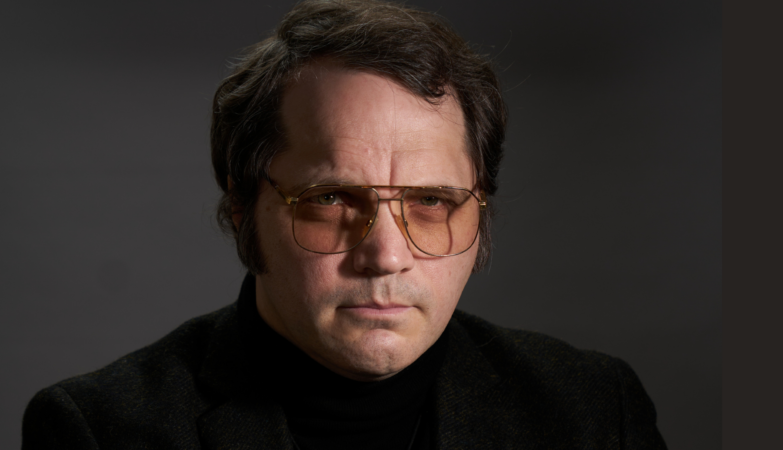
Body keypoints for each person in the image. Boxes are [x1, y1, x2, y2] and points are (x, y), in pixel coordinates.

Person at [22, 1, 667, 448]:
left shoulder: (592, 411)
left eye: (432, 201)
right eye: (330, 199)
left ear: (482, 212)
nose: (386, 255)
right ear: (243, 208)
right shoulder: (97, 431)